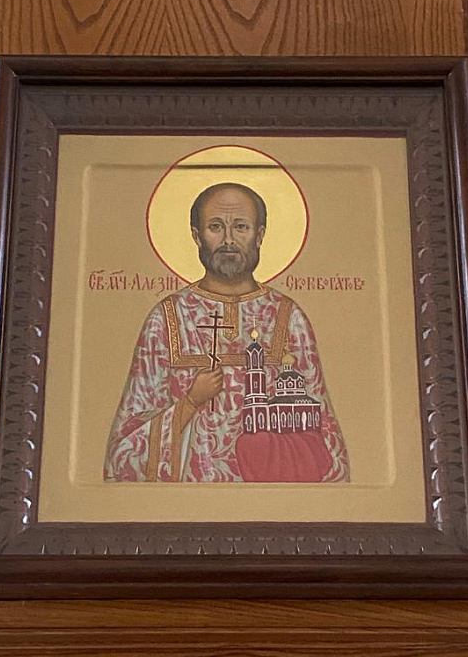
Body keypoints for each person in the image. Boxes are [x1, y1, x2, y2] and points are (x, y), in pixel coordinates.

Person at [104, 182, 349, 483]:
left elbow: (321, 433)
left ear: (259, 235)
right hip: (187, 501)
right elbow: (124, 452)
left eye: (241, 227)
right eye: (216, 227)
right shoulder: (167, 319)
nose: (229, 239)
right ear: (197, 236)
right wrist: (190, 403)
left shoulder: (288, 318)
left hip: (270, 500)